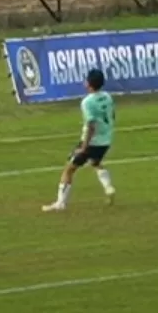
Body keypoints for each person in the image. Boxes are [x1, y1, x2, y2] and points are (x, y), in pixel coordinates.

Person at [43, 69, 116, 212]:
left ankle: (60, 203)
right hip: (106, 139)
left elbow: (91, 125)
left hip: (92, 141)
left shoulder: (87, 102)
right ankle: (108, 187)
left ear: (89, 84)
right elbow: (112, 115)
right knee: (96, 162)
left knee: (69, 169)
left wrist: (84, 147)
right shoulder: (107, 97)